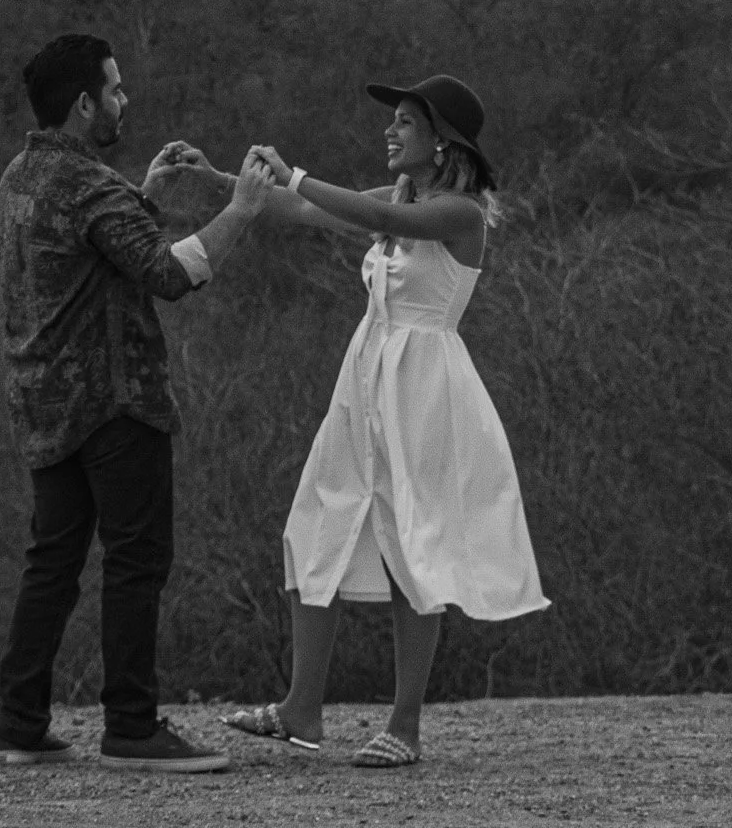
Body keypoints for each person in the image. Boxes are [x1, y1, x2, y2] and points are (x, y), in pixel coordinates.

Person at [212, 73, 548, 768]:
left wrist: (295, 171)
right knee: (313, 526)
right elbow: (300, 208)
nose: (389, 132)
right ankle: (301, 710)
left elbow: (366, 214)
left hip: (423, 388)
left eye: (404, 122)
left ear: (441, 140)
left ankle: (405, 726)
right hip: (364, 376)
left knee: (411, 548)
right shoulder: (400, 198)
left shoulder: (459, 213)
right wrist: (221, 177)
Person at [0, 32, 274, 774]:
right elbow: (168, 275)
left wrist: (144, 195)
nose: (125, 99)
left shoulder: (20, 176)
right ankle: (131, 726)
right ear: (85, 105)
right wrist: (242, 209)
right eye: (115, 89)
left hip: (43, 404)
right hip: (115, 403)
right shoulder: (90, 186)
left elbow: (98, 250)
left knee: (52, 563)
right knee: (136, 561)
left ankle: (19, 724)